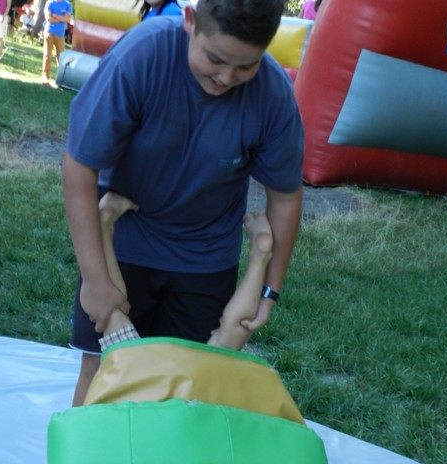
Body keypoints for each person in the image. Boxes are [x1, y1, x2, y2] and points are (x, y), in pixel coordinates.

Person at [64, 0, 304, 406]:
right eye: (215, 59)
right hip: (125, 239)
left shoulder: (274, 94)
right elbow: (79, 166)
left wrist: (270, 290)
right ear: (190, 22)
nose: (226, 78)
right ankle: (85, 452)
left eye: (246, 66)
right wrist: (95, 280)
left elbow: (285, 197)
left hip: (206, 257)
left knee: (192, 384)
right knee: (105, 372)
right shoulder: (141, 56)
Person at [97, 191, 274, 353]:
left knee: (224, 345)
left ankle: (259, 258)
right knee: (119, 331)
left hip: (151, 376)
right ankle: (259, 257)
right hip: (179, 374)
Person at [41, 0, 72, 86]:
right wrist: (62, 18)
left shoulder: (67, 4)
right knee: (47, 55)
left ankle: (61, 78)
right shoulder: (50, 3)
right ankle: (45, 76)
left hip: (60, 34)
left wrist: (55, 15)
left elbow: (68, 19)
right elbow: (48, 19)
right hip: (49, 32)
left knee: (61, 58)